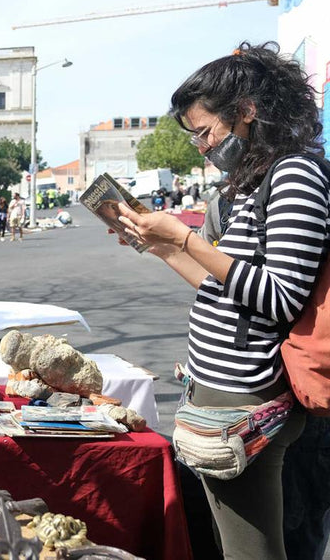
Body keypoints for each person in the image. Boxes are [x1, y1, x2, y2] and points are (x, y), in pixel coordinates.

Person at [113, 42, 328, 559]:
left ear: (247, 111)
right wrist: (160, 245)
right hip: (216, 397)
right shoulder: (244, 186)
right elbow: (223, 288)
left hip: (248, 403)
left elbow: (278, 297)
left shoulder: (296, 174)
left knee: (251, 552)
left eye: (206, 132)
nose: (203, 148)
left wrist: (185, 239)